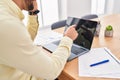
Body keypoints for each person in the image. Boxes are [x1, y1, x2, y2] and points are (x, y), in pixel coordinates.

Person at [0, 0, 78, 80]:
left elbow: (26, 39)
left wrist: (33, 13)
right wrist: (68, 38)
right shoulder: (7, 24)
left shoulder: (5, 13)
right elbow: (52, 71)